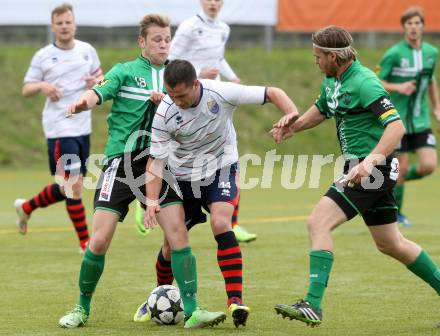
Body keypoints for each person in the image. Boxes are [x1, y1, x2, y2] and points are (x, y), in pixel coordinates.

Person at [58, 14, 226, 329]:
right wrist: (82, 103)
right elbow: (98, 92)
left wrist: (170, 104)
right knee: (100, 239)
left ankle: (192, 310)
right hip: (121, 162)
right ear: (142, 42)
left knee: (177, 234)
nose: (163, 44)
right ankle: (81, 308)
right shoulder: (125, 71)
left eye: (167, 39)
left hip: (159, 162)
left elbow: (196, 107)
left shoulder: (177, 76)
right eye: (157, 40)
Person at [272, 25, 440, 327]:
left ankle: (313, 304)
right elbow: (323, 108)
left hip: (371, 169)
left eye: (318, 56)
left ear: (335, 56)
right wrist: (292, 127)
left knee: (318, 221)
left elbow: (396, 127)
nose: (315, 61)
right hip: (361, 168)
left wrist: (369, 163)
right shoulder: (333, 81)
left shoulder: (364, 82)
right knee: (391, 243)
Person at [137, 59, 299, 328]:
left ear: (195, 84)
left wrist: (291, 113)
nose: (176, 101)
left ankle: (235, 300)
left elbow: (272, 92)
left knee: (222, 222)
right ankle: (159, 296)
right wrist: (152, 200)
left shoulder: (220, 92)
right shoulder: (165, 111)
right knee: (171, 243)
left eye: (182, 95)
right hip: (182, 178)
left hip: (220, 168)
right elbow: (155, 161)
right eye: (171, 95)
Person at [134, 0, 258, 243]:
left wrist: (233, 78)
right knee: (170, 156)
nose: (213, 3)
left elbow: (219, 58)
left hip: (208, 98)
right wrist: (198, 74)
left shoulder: (223, 28)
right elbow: (174, 62)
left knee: (227, 154)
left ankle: (231, 222)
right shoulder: (190, 26)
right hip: (186, 93)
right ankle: (148, 201)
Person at [15, 3, 102, 253]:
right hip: (59, 128)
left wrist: (95, 81)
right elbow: (26, 89)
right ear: (53, 26)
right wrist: (43, 87)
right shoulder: (43, 55)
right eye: (60, 23)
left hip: (82, 126)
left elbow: (102, 78)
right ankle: (85, 242)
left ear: (74, 24)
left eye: (68, 22)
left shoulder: (87, 51)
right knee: (73, 185)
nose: (64, 26)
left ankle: (27, 207)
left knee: (69, 186)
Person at [377, 6, 440, 228]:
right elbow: (378, 83)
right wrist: (399, 86)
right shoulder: (394, 54)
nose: (413, 28)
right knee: (400, 168)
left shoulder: (432, 53)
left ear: (423, 26)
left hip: (420, 120)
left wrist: (437, 108)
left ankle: (392, 182)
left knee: (429, 166)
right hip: (398, 122)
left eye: (417, 23)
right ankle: (398, 215)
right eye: (409, 24)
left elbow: (430, 81)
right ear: (404, 27)